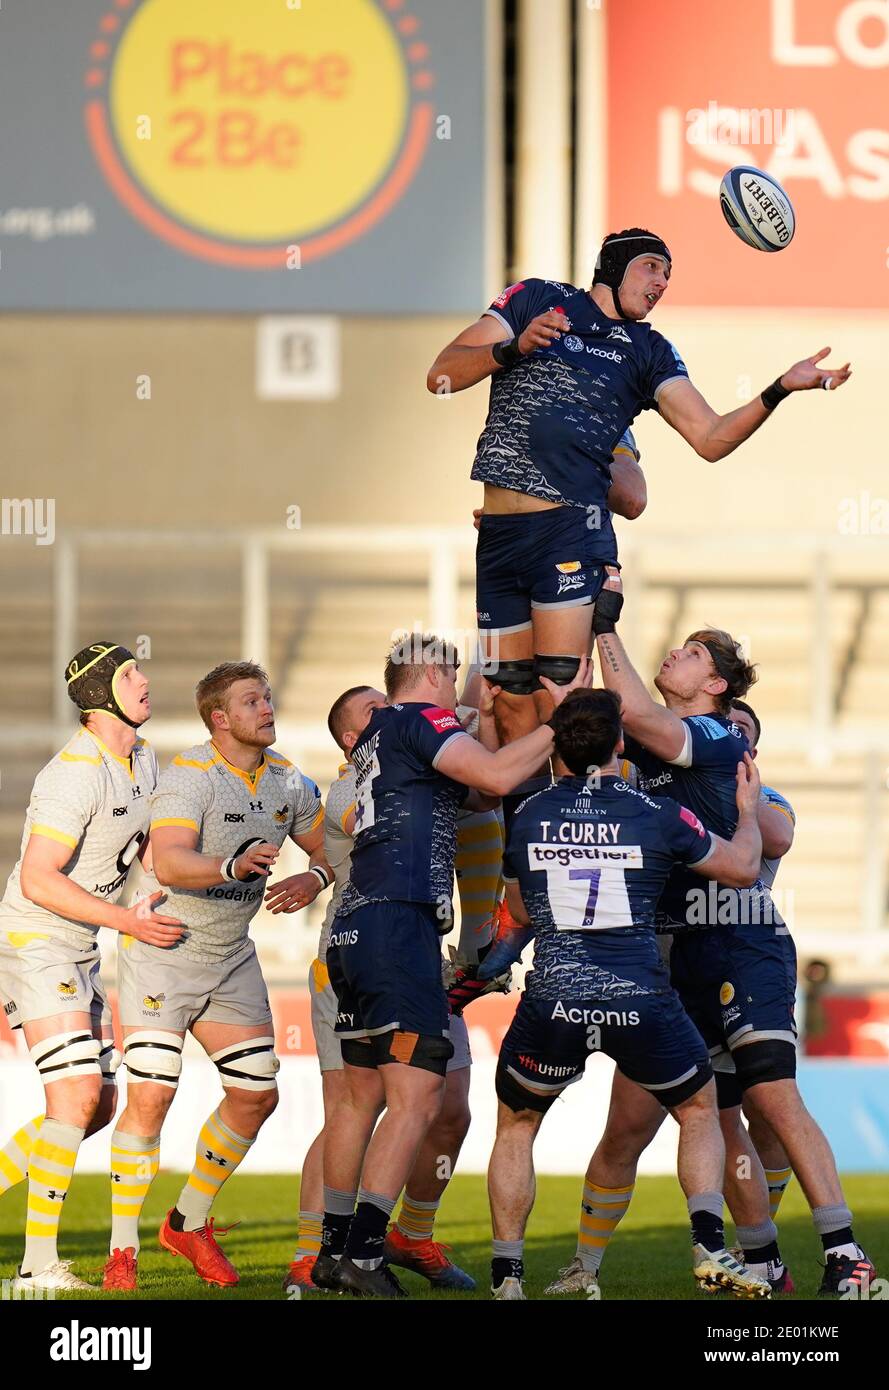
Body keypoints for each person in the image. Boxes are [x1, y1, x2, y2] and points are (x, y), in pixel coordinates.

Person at [427, 228, 851, 787]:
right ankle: (524, 860)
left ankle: (575, 836)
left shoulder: (649, 350)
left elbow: (712, 437)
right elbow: (440, 376)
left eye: (667, 276)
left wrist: (778, 389)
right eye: (652, 268)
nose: (661, 283)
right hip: (500, 534)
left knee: (564, 699)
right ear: (614, 265)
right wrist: (512, 348)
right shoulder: (534, 299)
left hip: (569, 532)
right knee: (508, 699)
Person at [315, 634, 592, 1297]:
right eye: (455, 676)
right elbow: (496, 777)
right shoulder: (421, 718)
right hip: (399, 923)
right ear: (434, 674)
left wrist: (501, 727)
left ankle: (330, 1250)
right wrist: (562, 721)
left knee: (359, 1099)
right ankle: (366, 1253)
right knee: (417, 1097)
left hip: (354, 926)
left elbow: (480, 793)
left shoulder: (379, 735)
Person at [544, 586, 795, 1294]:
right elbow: (600, 742)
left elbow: (771, 835)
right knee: (632, 1125)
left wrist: (739, 794)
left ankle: (767, 1254)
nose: (732, 738)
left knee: (750, 1115)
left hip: (730, 951)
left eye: (693, 654)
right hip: (658, 957)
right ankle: (584, 1267)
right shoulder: (649, 760)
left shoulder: (739, 774)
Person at [486, 689, 770, 1300]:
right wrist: (746, 810)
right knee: (698, 1109)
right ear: (620, 743)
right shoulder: (656, 812)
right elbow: (744, 868)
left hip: (554, 997)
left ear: (555, 744)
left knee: (517, 1126)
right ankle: (709, 1246)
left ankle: (507, 1278)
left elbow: (516, 910)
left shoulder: (528, 814)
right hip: (639, 994)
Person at [105, 661, 330, 1292]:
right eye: (251, 700)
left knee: (259, 1093)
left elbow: (329, 846)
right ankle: (123, 1252)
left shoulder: (288, 780)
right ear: (219, 718)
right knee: (151, 1094)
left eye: (267, 697)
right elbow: (172, 863)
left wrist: (314, 876)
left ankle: (187, 1221)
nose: (267, 707)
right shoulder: (190, 777)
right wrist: (231, 864)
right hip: (164, 950)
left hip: (230, 955)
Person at [282, 683, 477, 1294]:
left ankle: (407, 1235)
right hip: (361, 955)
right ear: (350, 736)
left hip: (413, 949)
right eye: (373, 710)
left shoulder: (410, 753)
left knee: (450, 1106)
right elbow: (366, 826)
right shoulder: (358, 779)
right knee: (352, 1106)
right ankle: (318, 1251)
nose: (388, 715)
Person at [0, 642, 181, 1291]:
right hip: (37, 935)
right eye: (132, 674)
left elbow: (149, 850)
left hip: (81, 941)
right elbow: (38, 878)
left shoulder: (142, 758)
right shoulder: (74, 773)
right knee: (74, 1098)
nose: (146, 680)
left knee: (98, 1105)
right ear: (102, 692)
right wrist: (129, 920)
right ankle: (35, 1268)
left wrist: (172, 883)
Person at [726, 701, 876, 1296]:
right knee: (715, 1115)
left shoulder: (769, 798)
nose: (727, 736)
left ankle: (844, 1251)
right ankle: (761, 1257)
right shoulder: (664, 786)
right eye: (719, 727)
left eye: (741, 733)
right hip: (682, 958)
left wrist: (727, 783)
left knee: (774, 1102)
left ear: (754, 752)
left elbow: (779, 837)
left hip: (750, 952)